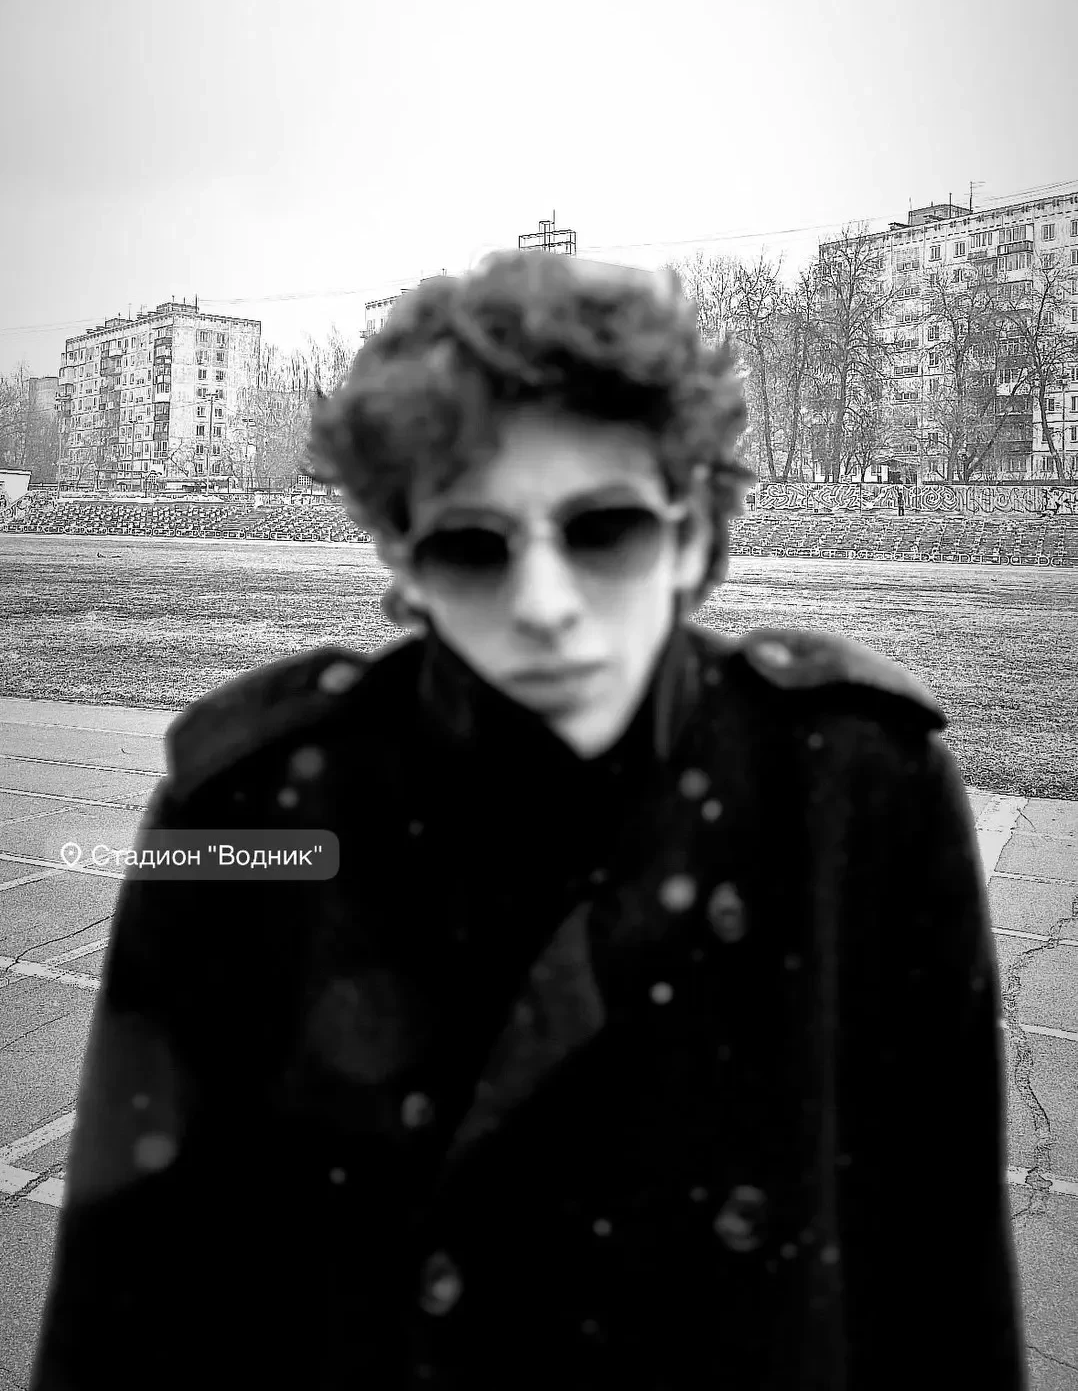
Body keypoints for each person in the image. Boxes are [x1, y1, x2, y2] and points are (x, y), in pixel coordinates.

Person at [31, 252, 1025, 1391]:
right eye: (473, 545)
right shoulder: (249, 813)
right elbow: (133, 1300)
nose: (545, 607)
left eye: (604, 531)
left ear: (693, 534)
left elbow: (938, 1286)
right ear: (404, 563)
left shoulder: (856, 790)